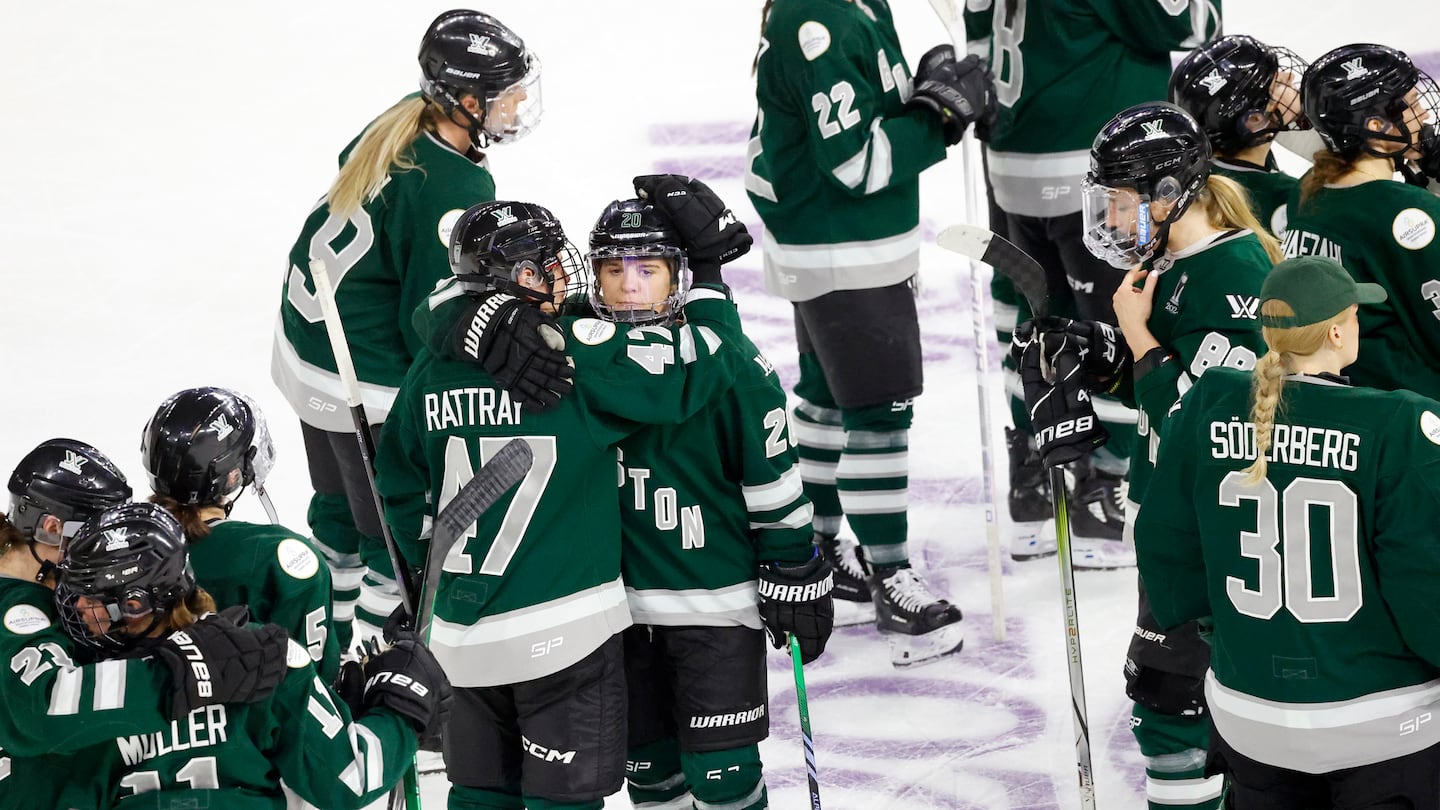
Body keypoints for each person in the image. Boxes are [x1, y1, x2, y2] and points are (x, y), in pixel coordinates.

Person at [380, 197, 794, 810]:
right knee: (576, 795)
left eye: (648, 269)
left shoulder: (433, 364)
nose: (570, 276)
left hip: (462, 634)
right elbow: (705, 365)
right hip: (571, 629)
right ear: (524, 276)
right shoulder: (578, 349)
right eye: (554, 266)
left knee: (479, 791)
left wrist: (417, 583)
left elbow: (399, 490)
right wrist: (710, 285)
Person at [1023, 101, 1279, 810]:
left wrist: (1135, 340)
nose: (1105, 220)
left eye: (1119, 201)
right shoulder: (1180, 258)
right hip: (1183, 527)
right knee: (1173, 709)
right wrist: (1093, 350)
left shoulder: (1233, 278)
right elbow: (1172, 371)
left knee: (1175, 714)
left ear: (1172, 194)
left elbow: (1209, 431)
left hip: (1213, 536)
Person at [271, 8, 550, 649]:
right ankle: (371, 681)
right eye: (503, 95)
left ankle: (320, 647)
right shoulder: (454, 184)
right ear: (463, 99)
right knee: (391, 554)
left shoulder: (401, 120)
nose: (515, 106)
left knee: (338, 516)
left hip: (308, 343)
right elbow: (430, 315)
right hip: (359, 375)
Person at [1136, 255, 1440, 807]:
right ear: (1336, 331)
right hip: (1381, 726)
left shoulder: (1208, 402)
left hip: (1247, 718)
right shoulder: (1399, 424)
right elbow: (1426, 589)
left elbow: (1168, 557)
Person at [745, 0, 994, 663]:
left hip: (827, 242)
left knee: (828, 403)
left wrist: (923, 89)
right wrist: (937, 120)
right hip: (843, 248)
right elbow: (856, 164)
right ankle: (891, 580)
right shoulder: (820, 23)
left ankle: (818, 558)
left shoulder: (851, 8)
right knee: (879, 412)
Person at [581, 195, 830, 810]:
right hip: (612, 614)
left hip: (713, 608)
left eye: (648, 269)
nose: (629, 287)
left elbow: (772, 478)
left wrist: (793, 563)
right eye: (614, 270)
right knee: (648, 774)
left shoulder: (728, 364)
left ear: (679, 276)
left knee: (724, 776)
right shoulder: (574, 357)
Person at [965, 0, 1219, 564]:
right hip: (1101, 177)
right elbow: (1190, 21)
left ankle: (1036, 481)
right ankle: (1103, 491)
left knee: (1034, 326)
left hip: (1009, 171)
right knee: (1117, 325)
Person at [52, 501, 450, 809]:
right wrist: (398, 710)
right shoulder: (265, 656)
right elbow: (351, 778)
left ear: (139, 604)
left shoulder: (87, 686)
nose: (79, 609)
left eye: (94, 599)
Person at [1, 439, 289, 810]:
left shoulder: (38, 580)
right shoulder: (17, 613)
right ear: (52, 527)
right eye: (88, 531)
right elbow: (41, 709)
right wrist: (183, 672)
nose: (100, 546)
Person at [141, 386, 341, 682]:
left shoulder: (122, 547)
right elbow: (315, 683)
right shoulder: (280, 558)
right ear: (233, 475)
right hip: (255, 724)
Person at [1281, 43, 1440, 403]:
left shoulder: (1307, 193)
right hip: (1412, 411)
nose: (1423, 114)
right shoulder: (1409, 213)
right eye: (1411, 105)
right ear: (1375, 125)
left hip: (1342, 400)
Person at [1170, 34, 1307, 237]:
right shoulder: (1286, 196)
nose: (1289, 77)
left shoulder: (1201, 172)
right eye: (1277, 83)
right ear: (1254, 120)